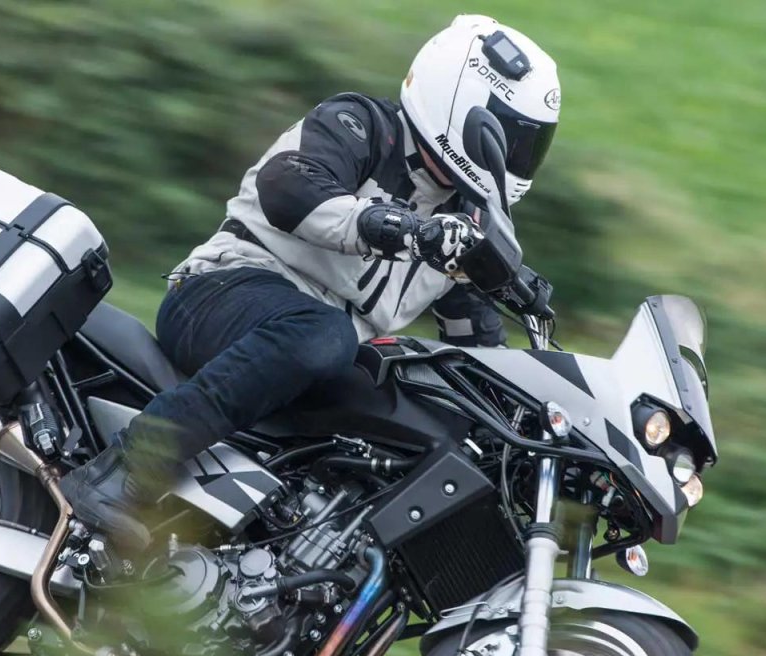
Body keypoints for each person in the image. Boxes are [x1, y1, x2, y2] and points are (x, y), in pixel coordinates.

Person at [61, 14, 561, 549]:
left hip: (321, 354)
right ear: (468, 116)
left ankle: (316, 563)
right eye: (513, 139)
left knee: (433, 418)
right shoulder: (363, 126)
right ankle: (127, 467)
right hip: (222, 291)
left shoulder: (466, 222)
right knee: (323, 334)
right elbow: (290, 188)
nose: (518, 157)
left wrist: (529, 421)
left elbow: (479, 354)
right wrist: (408, 230)